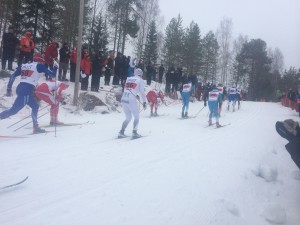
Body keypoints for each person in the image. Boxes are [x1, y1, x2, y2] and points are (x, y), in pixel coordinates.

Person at [0, 53, 57, 133]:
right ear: (40, 60)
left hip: (22, 88)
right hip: (27, 90)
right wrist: (55, 68)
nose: (42, 63)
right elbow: (52, 75)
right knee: (13, 111)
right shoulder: (39, 66)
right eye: (42, 61)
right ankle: (35, 127)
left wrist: (9, 88)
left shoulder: (24, 65)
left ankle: (36, 127)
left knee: (35, 106)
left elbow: (12, 76)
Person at [118, 68, 147, 139]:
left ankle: (121, 132)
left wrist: (135, 95)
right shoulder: (140, 80)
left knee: (128, 117)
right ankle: (134, 133)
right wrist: (144, 102)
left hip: (124, 98)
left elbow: (128, 89)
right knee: (136, 117)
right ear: (141, 74)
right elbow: (142, 93)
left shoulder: (129, 78)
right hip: (131, 99)